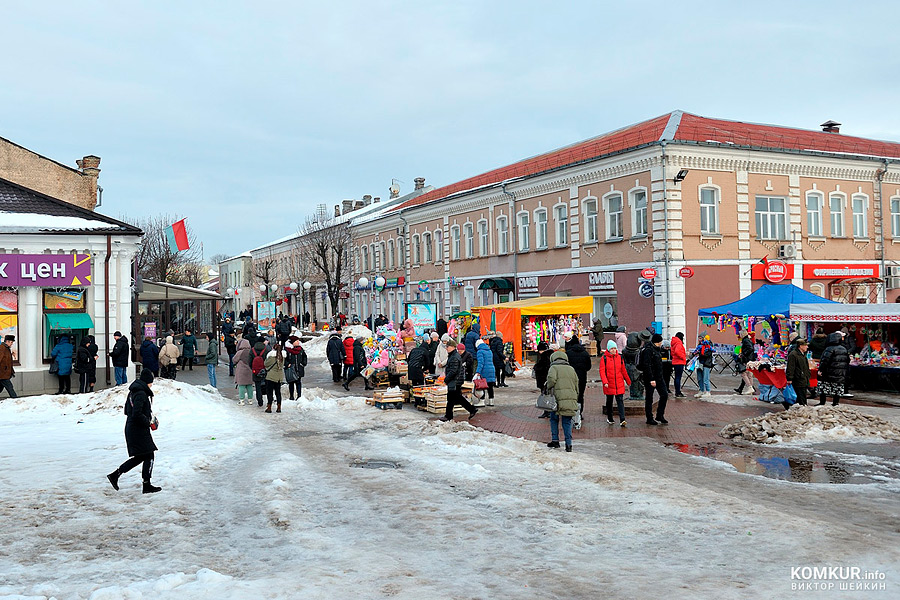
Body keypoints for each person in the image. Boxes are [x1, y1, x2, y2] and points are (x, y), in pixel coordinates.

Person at [107, 369, 161, 494]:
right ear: (147, 381)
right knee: (149, 455)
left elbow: (128, 411)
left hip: (133, 428)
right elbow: (136, 413)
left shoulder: (134, 391)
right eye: (151, 382)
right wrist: (147, 422)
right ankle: (146, 485)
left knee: (141, 456)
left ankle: (115, 475)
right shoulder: (141, 393)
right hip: (137, 429)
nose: (151, 385)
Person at [545, 348, 579, 452]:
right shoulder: (571, 369)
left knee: (554, 418)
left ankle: (555, 440)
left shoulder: (553, 368)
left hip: (556, 397)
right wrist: (575, 395)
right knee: (567, 421)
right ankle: (568, 444)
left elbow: (551, 380)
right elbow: (576, 383)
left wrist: (547, 388)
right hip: (570, 397)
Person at [439, 339, 478, 422]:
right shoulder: (453, 355)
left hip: (455, 381)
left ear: (453, 347)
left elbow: (453, 371)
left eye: (448, 346)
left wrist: (446, 379)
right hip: (455, 380)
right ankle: (471, 409)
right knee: (456, 398)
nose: (446, 348)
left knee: (451, 398)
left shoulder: (454, 357)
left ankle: (448, 416)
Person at [598, 339, 631, 427]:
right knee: (609, 401)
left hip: (619, 383)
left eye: (615, 348)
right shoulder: (604, 358)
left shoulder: (619, 358)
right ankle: (610, 417)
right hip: (609, 384)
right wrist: (605, 382)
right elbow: (602, 371)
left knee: (620, 401)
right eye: (612, 348)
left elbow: (623, 370)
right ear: (608, 349)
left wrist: (628, 380)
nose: (613, 350)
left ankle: (622, 419)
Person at [640, 333, 668, 425]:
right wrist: (651, 379)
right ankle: (649, 417)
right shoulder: (648, 350)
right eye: (660, 342)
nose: (661, 343)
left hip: (659, 377)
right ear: (657, 342)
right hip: (650, 378)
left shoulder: (657, 349)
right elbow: (647, 366)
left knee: (664, 395)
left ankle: (660, 415)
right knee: (649, 398)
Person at [564, 332, 592, 423]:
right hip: (582, 377)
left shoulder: (568, 353)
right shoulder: (585, 353)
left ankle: (570, 411)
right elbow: (589, 367)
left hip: (570, 377)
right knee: (580, 395)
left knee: (571, 394)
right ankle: (579, 412)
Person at [817, 332, 849, 406]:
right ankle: (835, 403)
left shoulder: (829, 349)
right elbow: (847, 361)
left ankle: (822, 402)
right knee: (837, 389)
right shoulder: (844, 349)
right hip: (840, 374)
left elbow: (825, 361)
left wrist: (821, 370)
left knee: (824, 388)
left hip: (828, 373)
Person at [785, 338, 810, 408]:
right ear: (801, 346)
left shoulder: (802, 354)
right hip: (798, 378)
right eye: (806, 345)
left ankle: (802, 408)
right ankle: (801, 409)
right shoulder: (793, 355)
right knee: (800, 396)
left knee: (802, 395)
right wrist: (789, 378)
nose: (807, 347)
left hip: (803, 378)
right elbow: (790, 367)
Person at [264, 344, 286, 413]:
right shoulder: (282, 357)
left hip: (271, 376)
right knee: (278, 392)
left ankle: (269, 407)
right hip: (279, 377)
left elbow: (265, 364)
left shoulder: (271, 357)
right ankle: (279, 407)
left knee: (269, 392)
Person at [734, 330, 757, 395]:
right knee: (749, 374)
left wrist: (743, 354)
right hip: (750, 359)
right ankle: (750, 389)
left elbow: (750, 348)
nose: (739, 335)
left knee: (744, 374)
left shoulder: (745, 340)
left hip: (747, 359)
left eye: (740, 334)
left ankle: (750, 387)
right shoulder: (748, 339)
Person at [474, 338, 496, 406]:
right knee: (490, 386)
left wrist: (478, 372)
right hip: (491, 369)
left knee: (482, 386)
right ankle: (491, 401)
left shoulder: (480, 351)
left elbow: (481, 363)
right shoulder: (489, 351)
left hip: (484, 370)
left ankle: (482, 401)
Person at [534, 341, 553, 418]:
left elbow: (542, 367)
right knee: (548, 394)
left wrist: (536, 367)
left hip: (543, 379)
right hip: (547, 378)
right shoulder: (550, 355)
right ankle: (548, 411)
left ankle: (547, 411)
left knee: (545, 395)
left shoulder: (544, 357)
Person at [233, 338, 254, 405]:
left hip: (241, 371)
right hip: (250, 370)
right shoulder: (251, 351)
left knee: (241, 385)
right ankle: (250, 400)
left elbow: (234, 360)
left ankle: (242, 400)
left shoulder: (240, 352)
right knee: (249, 385)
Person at [695, 333, 714, 398]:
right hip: (700, 363)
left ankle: (708, 391)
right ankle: (701, 390)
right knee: (699, 378)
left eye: (700, 338)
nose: (699, 340)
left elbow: (707, 354)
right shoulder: (699, 345)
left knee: (706, 378)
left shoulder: (708, 344)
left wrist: (699, 354)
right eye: (698, 338)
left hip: (706, 363)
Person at [670, 332, 686, 398]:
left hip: (675, 361)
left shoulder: (674, 343)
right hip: (679, 362)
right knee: (678, 377)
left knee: (677, 377)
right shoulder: (679, 343)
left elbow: (673, 352)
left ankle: (677, 391)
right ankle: (678, 392)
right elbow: (677, 351)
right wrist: (683, 357)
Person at [0, 335, 15, 399]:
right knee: (10, 387)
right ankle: (16, 400)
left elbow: (8, 362)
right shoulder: (2, 348)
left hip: (4, 373)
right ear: (7, 341)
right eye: (11, 342)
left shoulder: (7, 349)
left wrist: (12, 371)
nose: (12, 344)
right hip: (3, 374)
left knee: (0, 388)